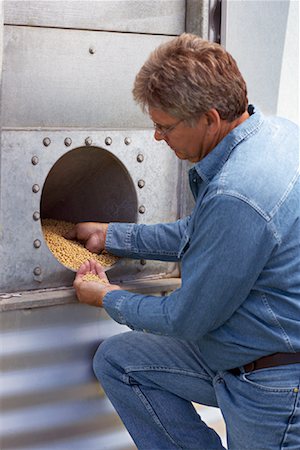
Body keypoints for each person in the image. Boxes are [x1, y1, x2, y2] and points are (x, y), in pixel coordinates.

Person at [69, 34, 300, 449]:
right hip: (240, 351)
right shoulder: (276, 135)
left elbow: (185, 319)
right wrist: (112, 235)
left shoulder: (239, 193)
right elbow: (203, 234)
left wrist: (107, 296)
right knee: (121, 361)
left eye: (164, 126)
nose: (157, 137)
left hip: (273, 384)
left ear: (210, 119)